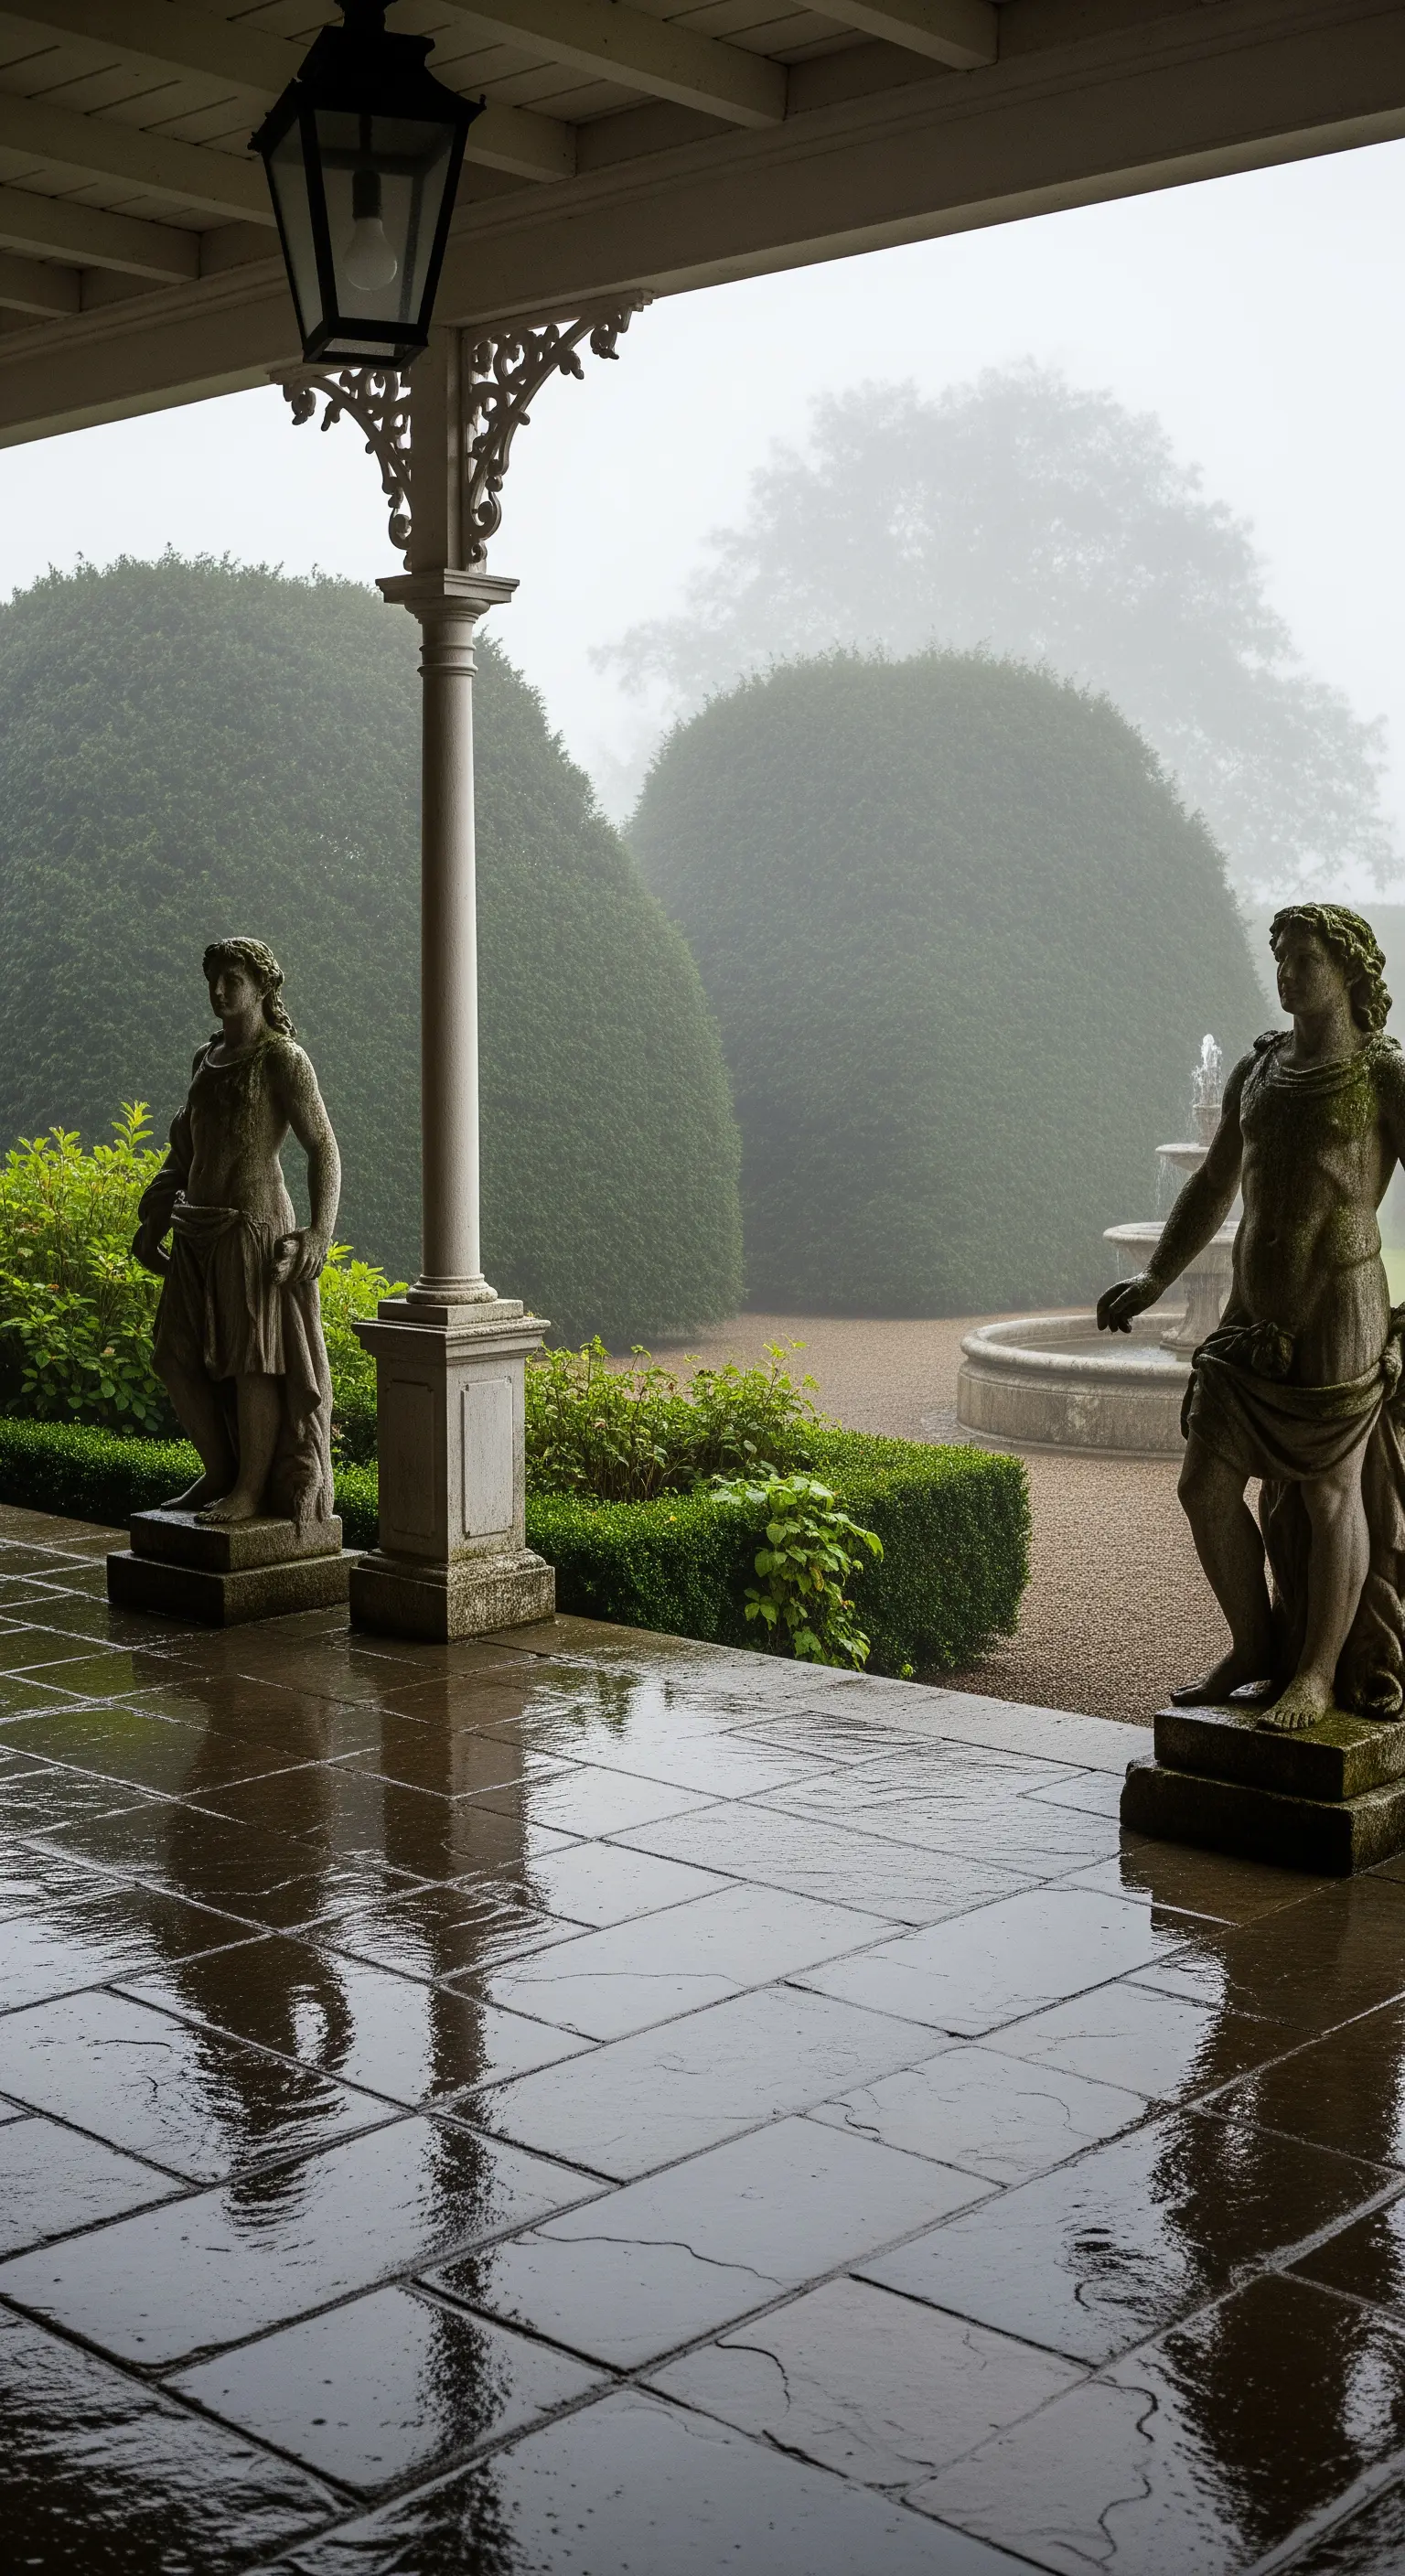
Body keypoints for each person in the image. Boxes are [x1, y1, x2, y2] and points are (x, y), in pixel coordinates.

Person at [1098, 905, 1405, 1732]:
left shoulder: (1382, 1074)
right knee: (1204, 1485)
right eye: (1279, 959)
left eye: (1303, 959)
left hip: (1340, 1300)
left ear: (1347, 970)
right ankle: (1255, 1644)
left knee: (1329, 1492)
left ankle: (1315, 1672)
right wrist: (1158, 1275)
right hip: (1249, 1307)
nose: (1286, 974)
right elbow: (1211, 1184)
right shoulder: (1258, 1070)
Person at [133, 938, 341, 1530]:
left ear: (263, 986)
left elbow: (322, 1144)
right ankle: (222, 1471)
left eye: (233, 979)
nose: (220, 990)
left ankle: (251, 1488)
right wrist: (152, 1218)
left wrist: (318, 1233)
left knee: (256, 1361)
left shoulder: (282, 1059)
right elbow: (187, 1146)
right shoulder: (206, 1057)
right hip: (193, 1226)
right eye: (214, 979)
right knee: (174, 1357)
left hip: (254, 1227)